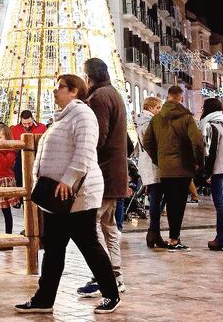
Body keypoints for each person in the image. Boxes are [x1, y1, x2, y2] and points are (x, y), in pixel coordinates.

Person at [15, 75, 120, 315]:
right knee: (53, 248)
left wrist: (69, 178)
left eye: (60, 87)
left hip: (77, 194)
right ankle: (44, 299)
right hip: (58, 195)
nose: (55, 91)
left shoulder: (83, 115)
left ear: (74, 91)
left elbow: (85, 150)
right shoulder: (62, 118)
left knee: (88, 245)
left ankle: (111, 294)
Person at [78, 58, 128, 297]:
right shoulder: (113, 94)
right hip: (115, 172)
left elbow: (97, 137)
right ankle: (115, 275)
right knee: (109, 226)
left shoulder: (99, 98)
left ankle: (104, 276)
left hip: (104, 173)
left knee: (91, 226)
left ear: (88, 78)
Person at [142, 85, 204, 251]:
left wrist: (159, 159)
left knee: (170, 202)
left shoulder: (156, 119)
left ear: (168, 98)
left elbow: (147, 142)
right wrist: (198, 161)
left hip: (165, 168)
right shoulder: (186, 118)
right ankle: (174, 239)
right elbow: (197, 141)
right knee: (179, 204)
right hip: (183, 168)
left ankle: (173, 238)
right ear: (181, 99)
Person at [199, 98, 223, 251]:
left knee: (220, 203)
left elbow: (209, 151)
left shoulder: (209, 125)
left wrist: (207, 172)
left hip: (217, 167)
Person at [136, 96, 167, 249]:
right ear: (150, 108)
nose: (160, 111)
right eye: (158, 108)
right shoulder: (149, 123)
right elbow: (152, 144)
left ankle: (154, 232)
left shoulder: (142, 121)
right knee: (156, 199)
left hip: (148, 164)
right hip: (153, 165)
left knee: (156, 198)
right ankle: (153, 232)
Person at [11, 110, 47, 187]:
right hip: (20, 159)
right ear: (21, 120)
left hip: (38, 158)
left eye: (29, 123)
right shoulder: (14, 129)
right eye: (24, 124)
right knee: (20, 182)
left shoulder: (42, 127)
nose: (27, 126)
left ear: (33, 119)